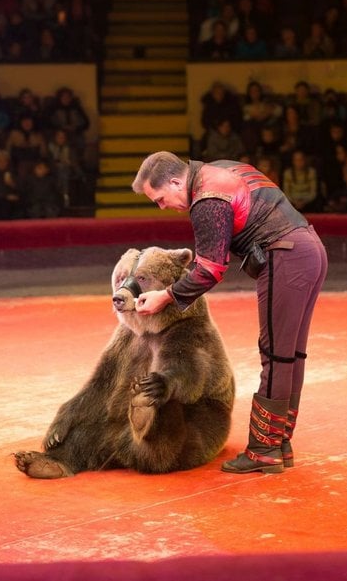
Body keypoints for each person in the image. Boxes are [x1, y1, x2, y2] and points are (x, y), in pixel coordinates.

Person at [131, 151, 328, 474]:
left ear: (177, 181)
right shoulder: (221, 169)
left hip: (286, 256)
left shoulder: (207, 197)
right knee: (291, 355)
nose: (163, 207)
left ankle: (264, 449)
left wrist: (164, 297)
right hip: (310, 250)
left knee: (277, 356)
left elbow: (209, 268)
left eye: (161, 198)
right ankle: (278, 443)